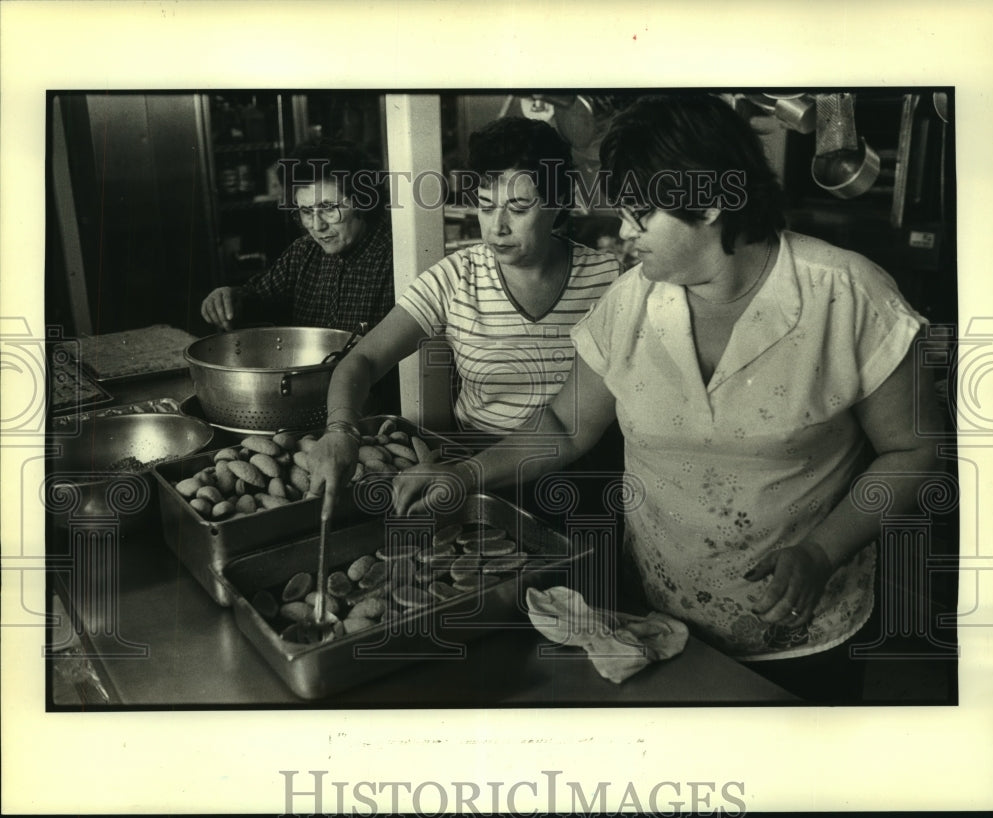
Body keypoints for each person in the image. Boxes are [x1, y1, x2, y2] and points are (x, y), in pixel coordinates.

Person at [391, 94, 945, 704]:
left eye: (640, 214)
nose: (625, 233)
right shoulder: (631, 302)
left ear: (706, 203)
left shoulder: (847, 295)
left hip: (806, 633)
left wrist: (821, 551)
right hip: (658, 621)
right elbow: (566, 426)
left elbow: (914, 452)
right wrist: (463, 474)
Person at [309, 116, 622, 519]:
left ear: (559, 203)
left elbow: (569, 425)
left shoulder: (608, 280)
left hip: (586, 479)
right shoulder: (457, 277)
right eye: (486, 206)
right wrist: (341, 430)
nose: (498, 227)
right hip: (476, 474)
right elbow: (362, 360)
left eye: (519, 208)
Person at [200, 139, 394, 333]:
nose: (317, 226)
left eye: (329, 208)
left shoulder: (394, 260)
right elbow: (257, 300)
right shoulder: (304, 252)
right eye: (306, 211)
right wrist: (230, 299)